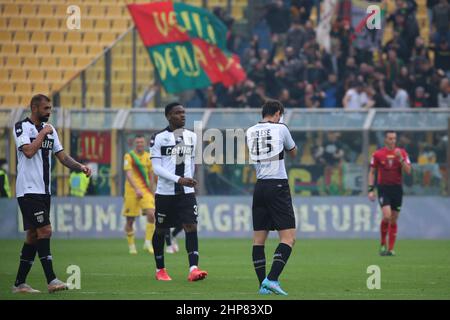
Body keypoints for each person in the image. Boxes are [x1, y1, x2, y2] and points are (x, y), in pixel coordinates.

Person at [12, 94, 92, 293]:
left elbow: (62, 157)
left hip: (44, 191)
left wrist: (80, 166)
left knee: (32, 236)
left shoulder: (51, 130)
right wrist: (42, 133)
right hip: (28, 190)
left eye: (50, 108)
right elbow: (28, 151)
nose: (49, 112)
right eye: (46, 109)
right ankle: (52, 280)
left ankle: (19, 284)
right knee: (45, 230)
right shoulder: (21, 127)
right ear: (34, 108)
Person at [149, 102, 207, 282]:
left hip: (186, 193)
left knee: (191, 226)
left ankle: (193, 269)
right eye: (177, 113)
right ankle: (160, 270)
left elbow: (191, 162)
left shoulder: (192, 136)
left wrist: (190, 180)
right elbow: (156, 168)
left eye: (184, 112)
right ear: (168, 116)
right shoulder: (158, 138)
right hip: (165, 193)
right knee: (161, 230)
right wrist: (179, 179)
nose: (182, 115)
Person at [246, 100, 297, 296]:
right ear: (277, 113)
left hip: (260, 186)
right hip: (277, 185)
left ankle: (262, 285)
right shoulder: (281, 128)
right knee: (289, 238)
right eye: (279, 115)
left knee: (258, 240)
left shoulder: (250, 131)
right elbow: (293, 152)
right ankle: (272, 279)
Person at [368, 131, 412, 256]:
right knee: (387, 216)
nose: (393, 141)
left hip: (397, 189)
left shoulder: (402, 153)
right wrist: (371, 189)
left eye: (394, 138)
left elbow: (408, 171)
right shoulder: (377, 154)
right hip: (383, 189)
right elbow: (371, 172)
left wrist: (401, 159)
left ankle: (391, 249)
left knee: (393, 219)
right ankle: (383, 244)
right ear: (385, 140)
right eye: (390, 138)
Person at [122, 135, 156, 255]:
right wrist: (136, 189)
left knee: (152, 214)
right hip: (131, 191)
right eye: (137, 142)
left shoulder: (149, 157)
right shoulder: (129, 156)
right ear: (134, 144)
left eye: (141, 142)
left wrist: (153, 192)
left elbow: (151, 176)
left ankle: (148, 242)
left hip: (145, 191)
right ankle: (131, 246)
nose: (139, 144)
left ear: (145, 143)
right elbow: (129, 174)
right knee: (130, 220)